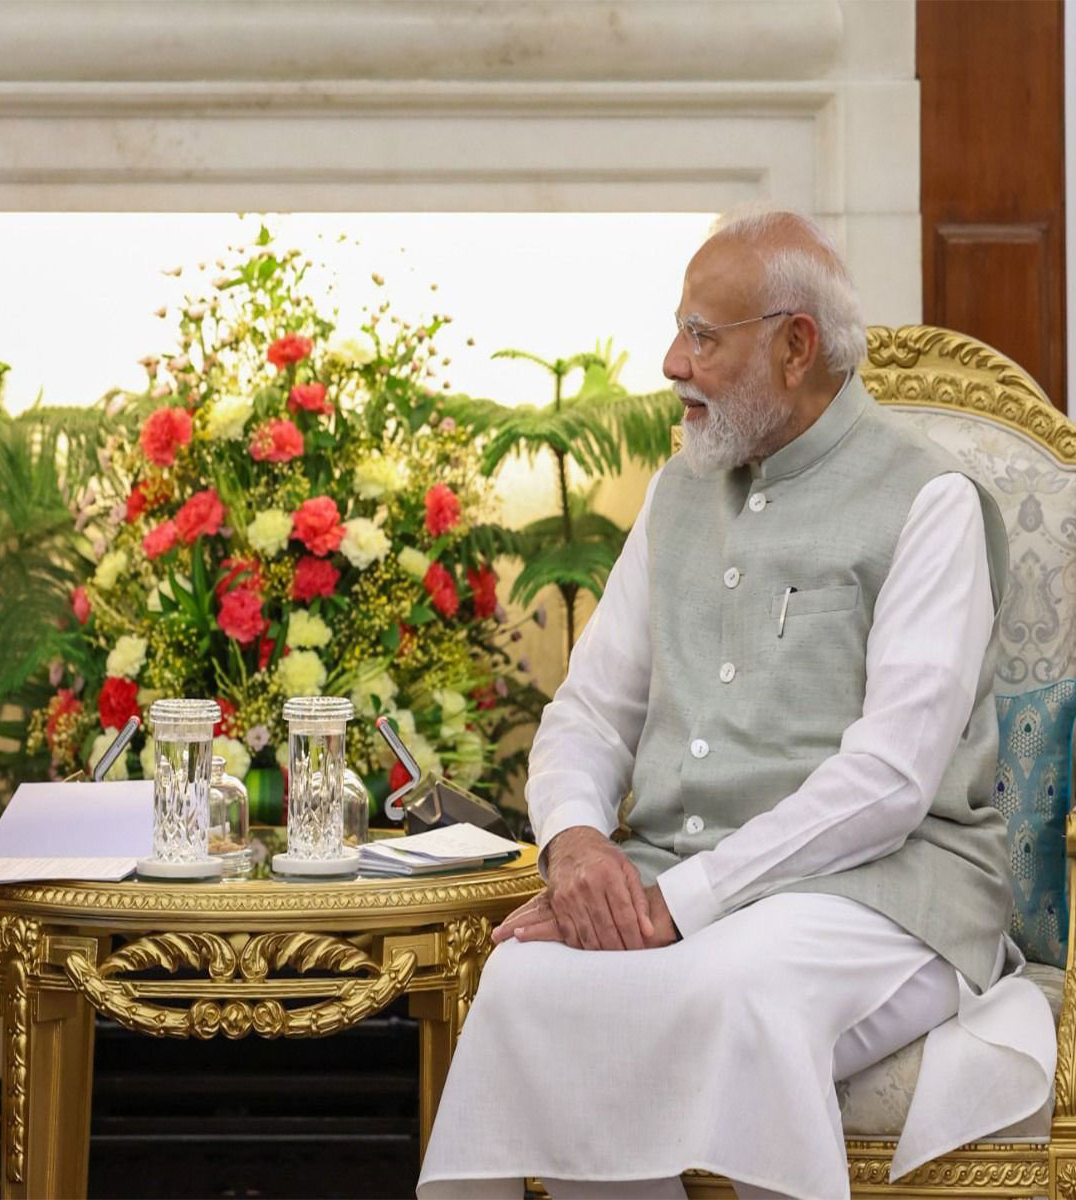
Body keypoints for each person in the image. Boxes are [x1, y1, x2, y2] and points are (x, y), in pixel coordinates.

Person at [418, 211, 1055, 1200]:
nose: (673, 361)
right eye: (679, 330)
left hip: (888, 894)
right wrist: (578, 845)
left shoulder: (927, 497)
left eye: (703, 336)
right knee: (529, 981)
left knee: (733, 986)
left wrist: (678, 906)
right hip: (678, 882)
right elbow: (587, 711)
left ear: (796, 344)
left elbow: (890, 780)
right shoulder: (677, 492)